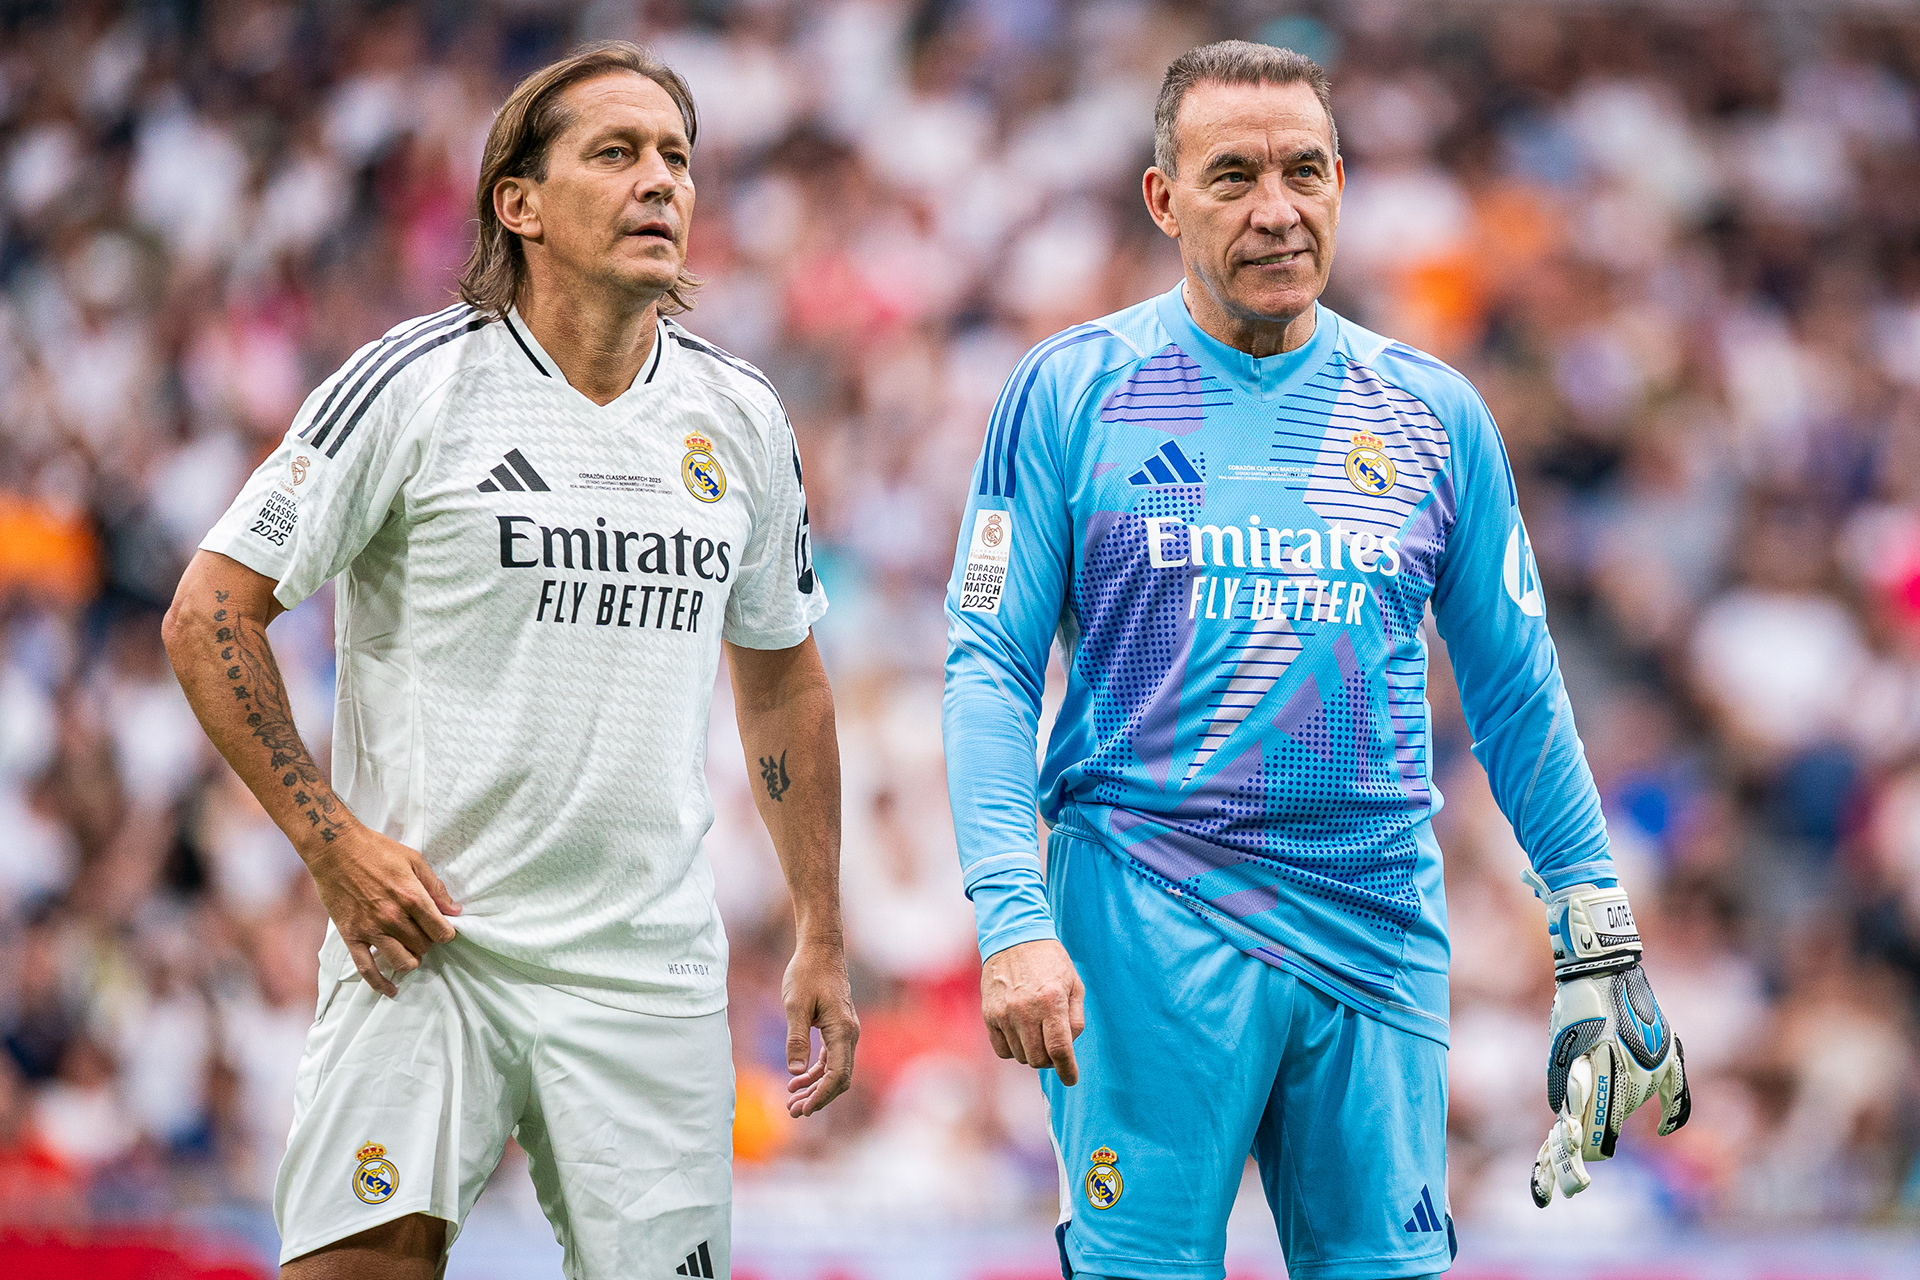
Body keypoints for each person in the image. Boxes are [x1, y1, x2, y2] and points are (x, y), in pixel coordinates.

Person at [943, 40, 1688, 1280]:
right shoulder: (1069, 392)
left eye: (1304, 170)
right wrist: (1011, 915)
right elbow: (988, 667)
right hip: (1143, 919)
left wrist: (1596, 928)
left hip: (1378, 932)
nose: (1277, 209)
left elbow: (1517, 689)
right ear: (1163, 199)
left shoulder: (1434, 412)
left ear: (1342, 182)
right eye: (1233, 176)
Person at [162, 41, 855, 1280]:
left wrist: (821, 930)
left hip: (648, 971)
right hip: (431, 949)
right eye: (618, 152)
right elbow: (209, 611)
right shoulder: (414, 384)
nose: (662, 180)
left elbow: (784, 677)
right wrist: (332, 842)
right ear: (518, 202)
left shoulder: (743, 417)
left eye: (678, 157)